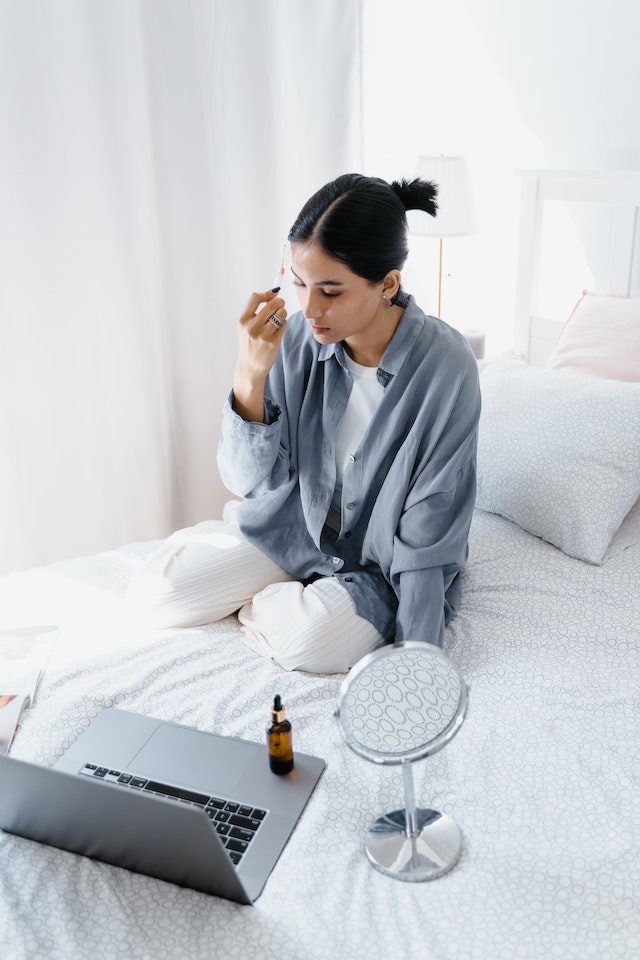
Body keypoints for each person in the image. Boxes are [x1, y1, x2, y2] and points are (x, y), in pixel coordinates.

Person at [125, 173, 481, 674]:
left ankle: (278, 599)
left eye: (330, 291)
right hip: (291, 530)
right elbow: (247, 482)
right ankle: (283, 589)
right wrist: (250, 371)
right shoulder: (296, 340)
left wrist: (419, 657)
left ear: (388, 284)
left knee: (311, 642)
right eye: (298, 283)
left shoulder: (446, 366)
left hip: (376, 565)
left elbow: (431, 520)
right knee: (155, 595)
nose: (309, 309)